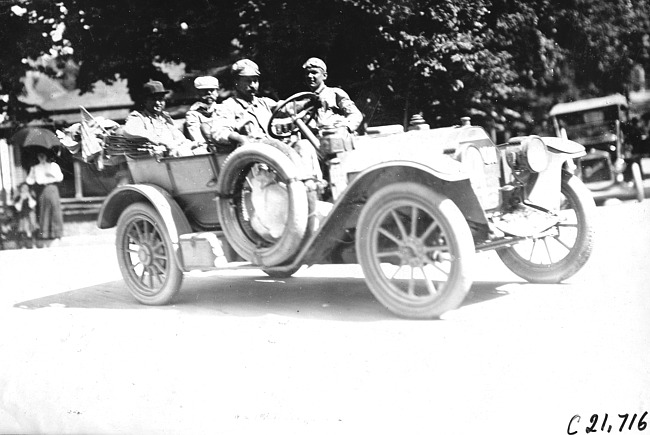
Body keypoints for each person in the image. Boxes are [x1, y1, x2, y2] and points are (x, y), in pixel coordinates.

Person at [207, 59, 322, 178]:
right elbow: (218, 132)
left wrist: (308, 103)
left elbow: (286, 107)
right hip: (254, 155)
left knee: (304, 145)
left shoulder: (263, 103)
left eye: (255, 81)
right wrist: (240, 138)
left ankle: (312, 184)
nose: (253, 85)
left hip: (275, 149)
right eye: (248, 81)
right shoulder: (228, 106)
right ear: (236, 82)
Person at [123, 80, 205, 157]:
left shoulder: (164, 118)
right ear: (145, 101)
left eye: (160, 99)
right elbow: (129, 131)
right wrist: (159, 141)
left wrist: (194, 144)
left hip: (174, 152)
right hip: (157, 156)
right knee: (183, 153)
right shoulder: (139, 117)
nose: (158, 103)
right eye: (153, 99)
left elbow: (179, 137)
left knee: (202, 150)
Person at [302, 57, 363, 134]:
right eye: (307, 73)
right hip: (315, 139)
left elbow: (355, 114)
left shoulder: (334, 93)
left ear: (324, 76)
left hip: (337, 137)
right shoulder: (306, 101)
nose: (309, 76)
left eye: (314, 72)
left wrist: (346, 128)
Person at [25, 151, 64, 240]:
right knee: (44, 210)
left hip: (52, 187)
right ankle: (45, 234)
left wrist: (51, 174)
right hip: (42, 189)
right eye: (39, 155)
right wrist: (32, 175)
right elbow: (29, 181)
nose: (41, 157)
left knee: (55, 209)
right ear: (37, 157)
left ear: (46, 156)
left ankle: (57, 233)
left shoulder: (53, 166)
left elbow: (60, 177)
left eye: (43, 155)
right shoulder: (35, 168)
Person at [184, 76, 221, 146]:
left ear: (217, 92)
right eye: (205, 90)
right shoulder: (193, 114)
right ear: (198, 93)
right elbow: (198, 138)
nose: (209, 93)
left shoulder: (223, 109)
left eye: (212, 90)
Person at [12, 182, 38, 248]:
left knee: (32, 228)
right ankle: (23, 245)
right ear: (20, 189)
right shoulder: (18, 197)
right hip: (22, 215)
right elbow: (17, 207)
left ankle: (33, 244)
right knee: (23, 230)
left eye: (26, 188)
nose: (25, 189)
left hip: (30, 214)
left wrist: (29, 196)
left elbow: (33, 204)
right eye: (23, 188)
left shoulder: (31, 195)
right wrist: (21, 199)